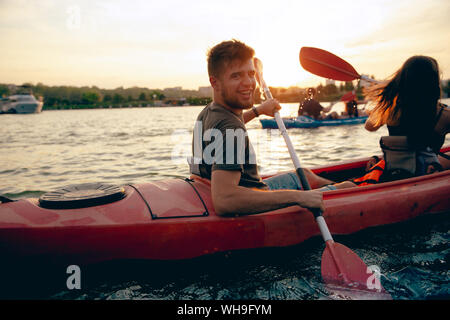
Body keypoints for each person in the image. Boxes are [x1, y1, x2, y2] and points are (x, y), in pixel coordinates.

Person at [190, 40, 353, 216]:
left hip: (230, 188)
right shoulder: (231, 127)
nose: (249, 83)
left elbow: (230, 128)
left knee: (304, 175)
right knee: (349, 188)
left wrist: (258, 110)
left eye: (251, 73)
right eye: (236, 76)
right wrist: (298, 197)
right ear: (215, 83)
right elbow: (225, 200)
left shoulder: (210, 113)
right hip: (252, 199)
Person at [354, 55, 450, 185]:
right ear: (433, 82)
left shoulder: (390, 110)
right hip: (425, 175)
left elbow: (369, 126)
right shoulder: (444, 115)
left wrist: (387, 99)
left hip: (393, 174)